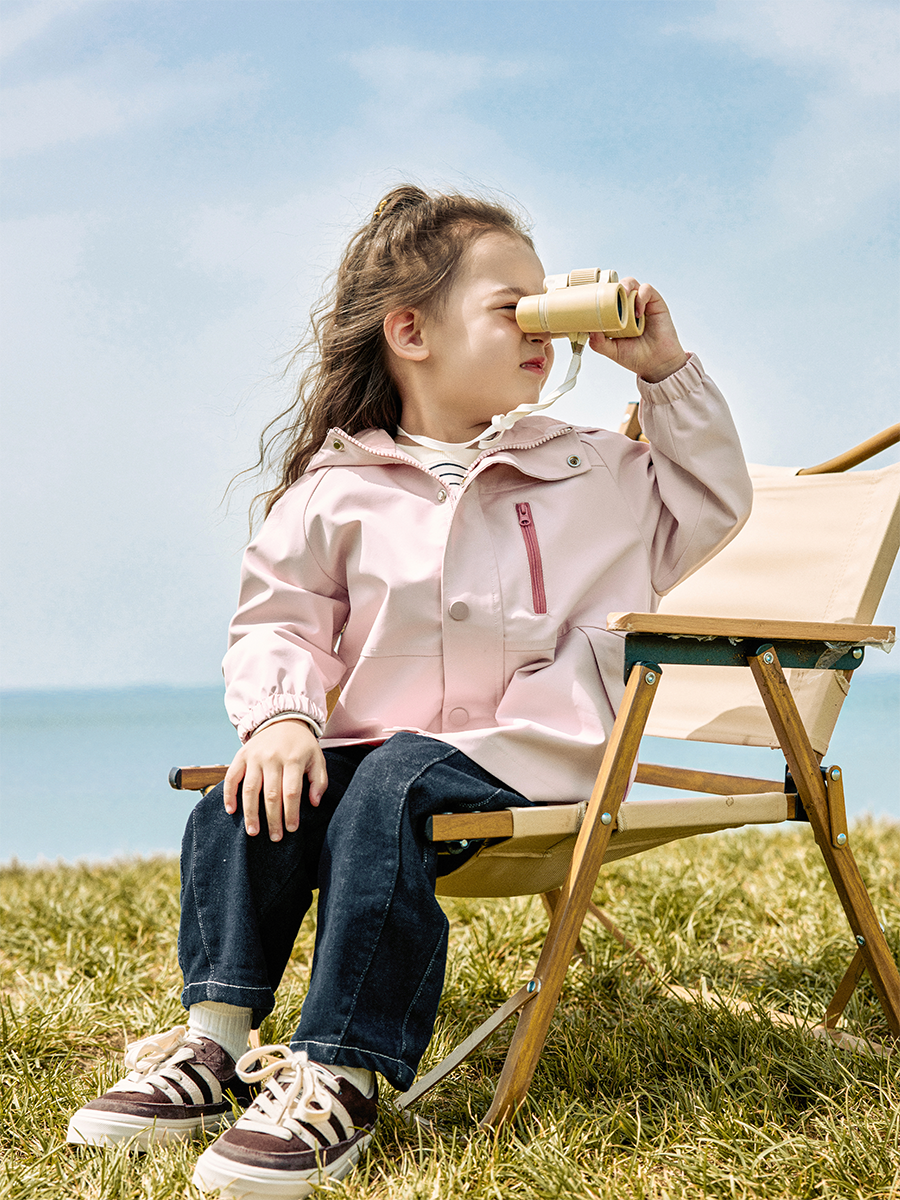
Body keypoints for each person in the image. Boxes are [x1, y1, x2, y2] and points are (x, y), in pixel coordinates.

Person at [66, 185, 752, 1198]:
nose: (538, 325)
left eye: (543, 301)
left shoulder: (591, 468)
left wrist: (667, 376)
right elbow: (279, 619)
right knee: (245, 794)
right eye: (510, 305)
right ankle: (213, 1045)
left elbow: (716, 502)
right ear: (410, 331)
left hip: (532, 751)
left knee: (390, 776)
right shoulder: (333, 490)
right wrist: (286, 717)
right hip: (383, 762)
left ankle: (338, 1073)